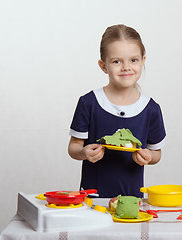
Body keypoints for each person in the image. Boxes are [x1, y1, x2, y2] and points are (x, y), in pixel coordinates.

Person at [68, 24, 166, 198]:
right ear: (103, 66)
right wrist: (83, 153)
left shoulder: (151, 109)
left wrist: (148, 156)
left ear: (143, 60)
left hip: (132, 199)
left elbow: (156, 153)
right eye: (116, 61)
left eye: (133, 60)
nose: (126, 67)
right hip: (94, 198)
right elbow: (74, 147)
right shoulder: (88, 103)